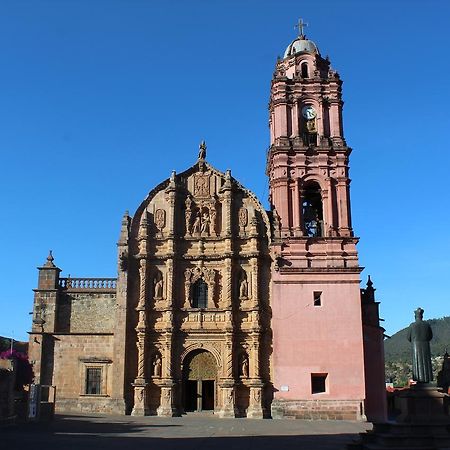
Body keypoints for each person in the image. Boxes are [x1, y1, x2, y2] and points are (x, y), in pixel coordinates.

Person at [407, 307, 433, 383]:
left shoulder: (412, 325)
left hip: (416, 346)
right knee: (426, 363)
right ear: (422, 316)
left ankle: (419, 380)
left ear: (415, 316)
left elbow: (408, 337)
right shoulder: (427, 325)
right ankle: (427, 379)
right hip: (425, 346)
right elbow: (430, 336)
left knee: (417, 362)